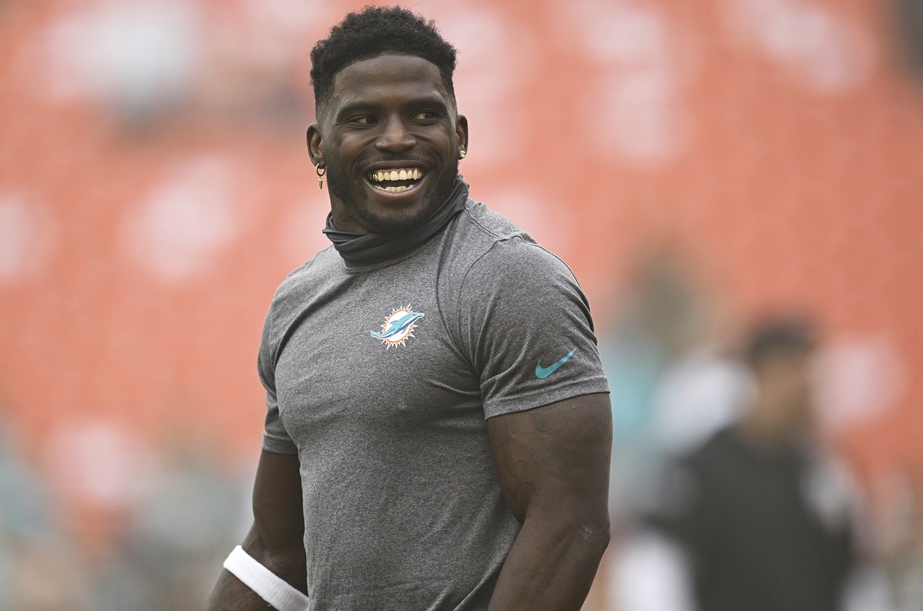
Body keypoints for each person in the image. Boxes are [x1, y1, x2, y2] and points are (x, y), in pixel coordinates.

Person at [205, 6, 612, 610]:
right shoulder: (296, 304)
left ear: (462, 134)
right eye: (365, 118)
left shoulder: (507, 277)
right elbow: (278, 551)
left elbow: (569, 525)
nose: (397, 138)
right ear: (318, 145)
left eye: (423, 114)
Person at [644, 316, 860, 611]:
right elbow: (657, 565)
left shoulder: (824, 474)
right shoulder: (702, 470)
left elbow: (852, 575)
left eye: (807, 374)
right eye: (789, 371)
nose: (801, 388)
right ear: (757, 374)